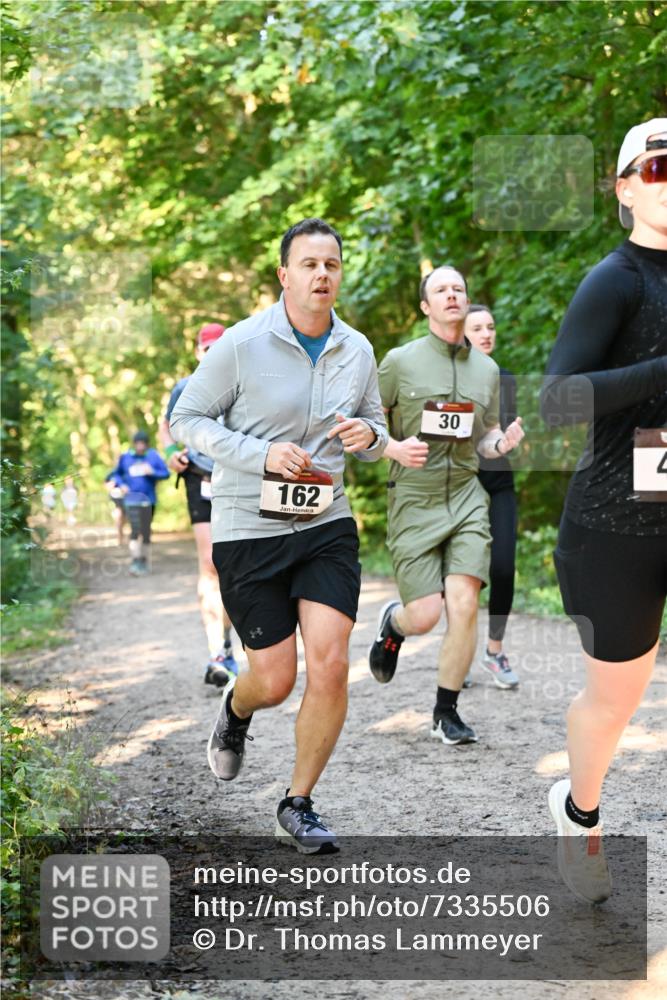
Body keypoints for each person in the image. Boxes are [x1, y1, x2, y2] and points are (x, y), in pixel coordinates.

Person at [170, 218, 387, 853]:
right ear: (284, 274)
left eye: (333, 264)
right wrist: (259, 455)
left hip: (325, 523)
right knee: (275, 680)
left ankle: (298, 803)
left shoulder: (358, 349)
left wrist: (369, 437)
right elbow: (187, 418)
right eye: (310, 264)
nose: (323, 274)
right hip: (249, 530)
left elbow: (374, 425)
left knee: (329, 665)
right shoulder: (239, 345)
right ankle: (237, 711)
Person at [541, 118, 667, 904]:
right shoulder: (614, 279)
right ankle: (578, 808)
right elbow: (557, 399)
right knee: (616, 697)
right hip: (614, 525)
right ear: (624, 187)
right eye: (656, 166)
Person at [369, 266, 525, 747]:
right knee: (426, 616)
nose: (452, 295)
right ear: (426, 307)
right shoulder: (399, 362)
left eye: (458, 288)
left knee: (464, 604)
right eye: (441, 290)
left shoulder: (488, 369)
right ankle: (394, 624)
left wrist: (504, 442)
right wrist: (393, 448)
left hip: (466, 495)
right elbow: (366, 425)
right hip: (414, 496)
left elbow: (487, 435)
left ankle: (445, 711)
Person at [159, 323, 239, 689]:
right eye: (206, 349)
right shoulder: (183, 388)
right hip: (199, 479)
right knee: (210, 563)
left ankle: (243, 642)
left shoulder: (245, 383)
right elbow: (167, 428)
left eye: (219, 348)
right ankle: (218, 652)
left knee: (238, 565)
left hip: (240, 479)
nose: (212, 354)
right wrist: (172, 453)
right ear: (197, 352)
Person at [463, 305, 519, 689]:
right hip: (459, 483)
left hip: (497, 480)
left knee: (502, 566)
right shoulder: (448, 378)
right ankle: (458, 654)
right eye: (477, 328)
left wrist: (503, 442)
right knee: (463, 575)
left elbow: (497, 436)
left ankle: (494, 651)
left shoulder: (506, 378)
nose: (486, 334)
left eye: (490, 327)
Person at [106, 430, 170, 576]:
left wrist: (152, 472)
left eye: (143, 444)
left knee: (146, 531)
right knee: (135, 530)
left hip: (149, 500)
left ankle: (145, 561)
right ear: (134, 444)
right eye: (138, 444)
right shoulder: (126, 457)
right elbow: (115, 474)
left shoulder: (153, 456)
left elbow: (166, 473)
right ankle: (135, 561)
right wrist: (121, 484)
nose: (141, 447)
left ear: (147, 444)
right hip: (131, 500)